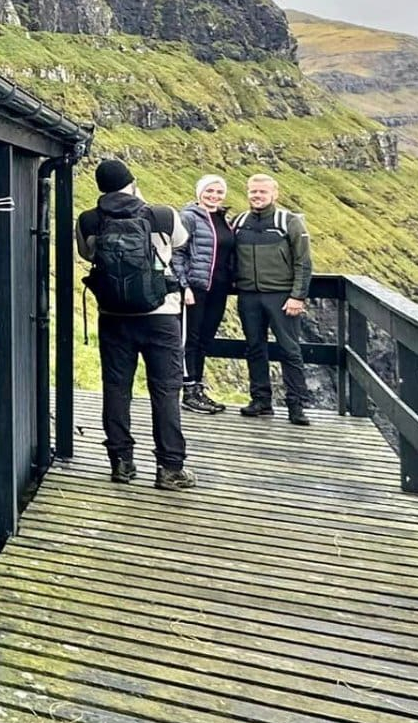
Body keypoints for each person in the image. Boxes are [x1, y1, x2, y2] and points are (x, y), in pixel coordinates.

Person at [76, 158, 195, 490]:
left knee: (116, 389)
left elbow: (87, 254)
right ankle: (170, 468)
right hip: (161, 316)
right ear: (132, 183)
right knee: (166, 390)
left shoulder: (88, 220)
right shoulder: (163, 215)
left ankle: (121, 463)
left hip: (113, 316)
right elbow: (181, 241)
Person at [232, 173, 315, 424]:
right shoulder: (239, 222)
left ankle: (296, 405)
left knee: (290, 350)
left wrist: (297, 296)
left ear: (274, 194)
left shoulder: (289, 222)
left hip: (281, 296)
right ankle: (261, 400)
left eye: (263, 192)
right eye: (253, 191)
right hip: (248, 296)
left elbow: (303, 262)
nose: (257, 196)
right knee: (254, 348)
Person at [171, 174, 235, 415]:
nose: (214, 196)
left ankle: (198, 388)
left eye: (219, 192)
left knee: (205, 338)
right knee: (190, 338)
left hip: (218, 289)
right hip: (195, 288)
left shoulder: (223, 218)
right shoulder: (189, 217)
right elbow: (177, 252)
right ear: (199, 192)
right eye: (209, 191)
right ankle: (188, 391)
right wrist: (184, 285)